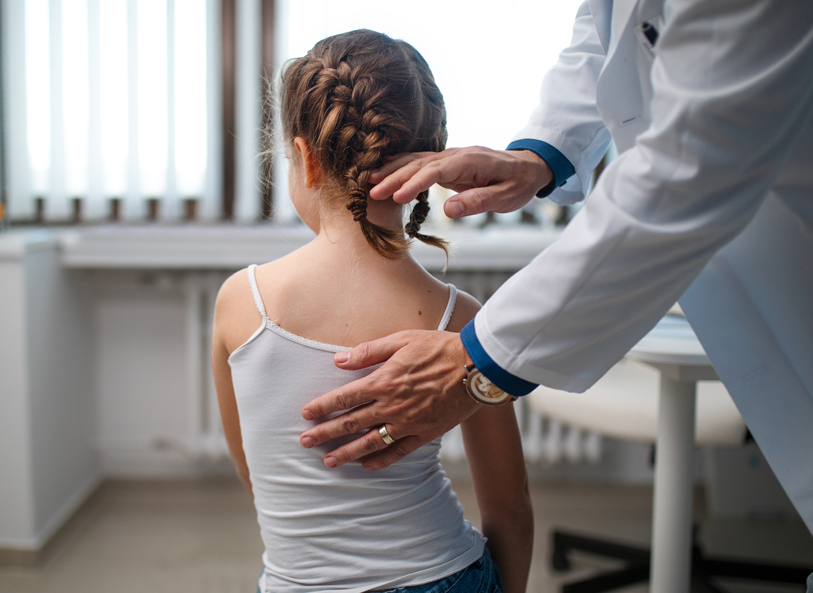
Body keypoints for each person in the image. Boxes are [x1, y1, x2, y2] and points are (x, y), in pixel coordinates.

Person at [297, 0, 813, 534]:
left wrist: (479, 358)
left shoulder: (249, 300)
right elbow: (607, 41)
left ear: (304, 157)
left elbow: (690, 165)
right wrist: (539, 156)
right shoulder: (453, 312)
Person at [211, 29, 532, 593]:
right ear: (430, 164)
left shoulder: (242, 301)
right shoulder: (461, 320)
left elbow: (254, 474)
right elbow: (510, 508)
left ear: (306, 158)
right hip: (445, 575)